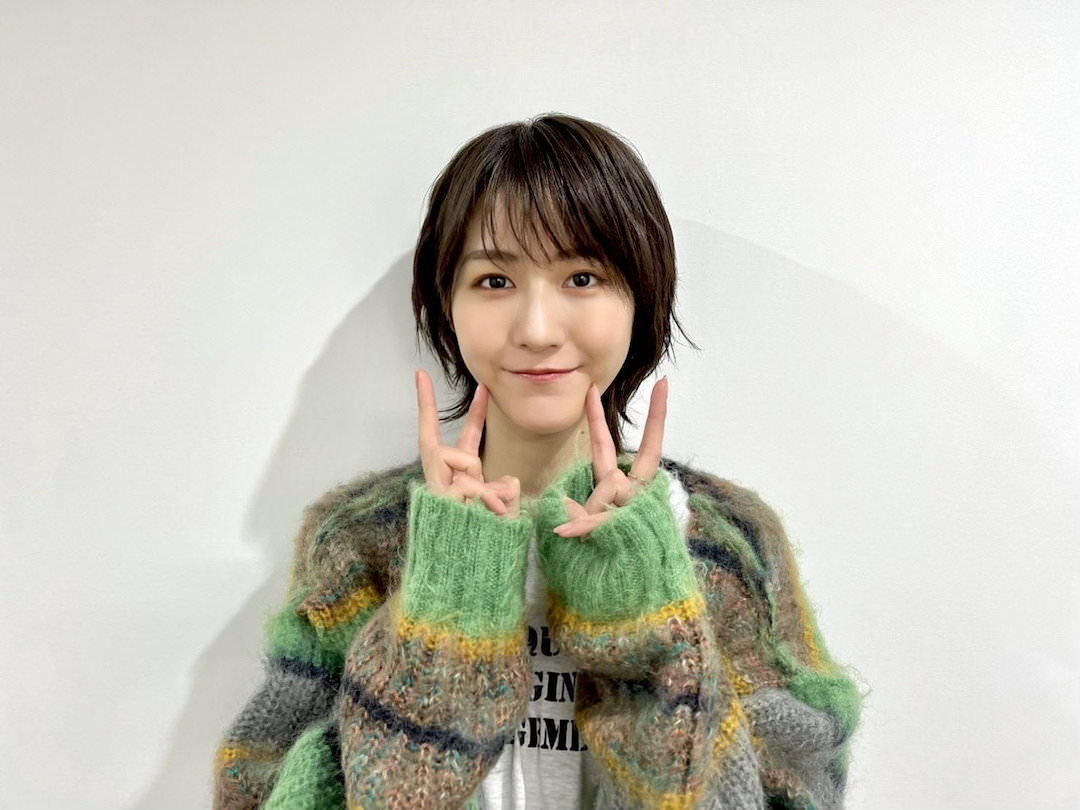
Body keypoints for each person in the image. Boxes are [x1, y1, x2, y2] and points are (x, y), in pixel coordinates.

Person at [212, 113, 864, 809]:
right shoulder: (362, 539)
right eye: (495, 280)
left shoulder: (726, 537)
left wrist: (644, 612)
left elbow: (799, 793)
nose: (537, 329)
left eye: (582, 277)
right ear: (446, 304)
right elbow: (260, 786)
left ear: (640, 299)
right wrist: (449, 602)